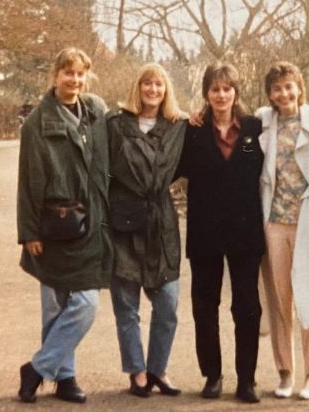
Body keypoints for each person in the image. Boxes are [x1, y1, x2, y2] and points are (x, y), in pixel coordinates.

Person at [16, 47, 112, 405]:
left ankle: (37, 369)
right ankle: (65, 377)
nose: (74, 80)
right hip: (52, 225)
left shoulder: (97, 112)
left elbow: (134, 121)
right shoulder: (36, 124)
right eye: (68, 73)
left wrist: (177, 116)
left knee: (86, 303)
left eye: (80, 74)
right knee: (54, 306)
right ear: (55, 75)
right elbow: (27, 182)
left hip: (90, 223)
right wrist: (29, 232)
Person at [178, 62, 265, 404]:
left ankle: (247, 380)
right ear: (206, 94)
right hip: (205, 230)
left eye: (227, 88)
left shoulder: (255, 128)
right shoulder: (193, 130)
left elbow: (302, 117)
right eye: (214, 89)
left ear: (236, 92)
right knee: (205, 305)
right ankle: (212, 375)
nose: (221, 95)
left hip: (245, 231)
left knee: (247, 308)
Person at [106, 63, 186, 398]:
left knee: (167, 303)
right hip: (123, 220)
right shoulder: (115, 124)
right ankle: (137, 371)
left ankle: (158, 369)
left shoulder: (179, 126)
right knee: (126, 304)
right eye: (147, 83)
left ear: (166, 90)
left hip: (162, 221)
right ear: (137, 88)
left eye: (159, 84)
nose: (153, 90)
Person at [255, 62, 309, 401]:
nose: (284, 94)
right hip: (274, 220)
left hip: (308, 220)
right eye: (277, 89)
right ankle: (285, 371)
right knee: (279, 299)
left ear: (300, 87)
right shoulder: (265, 121)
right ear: (270, 95)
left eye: (289, 87)